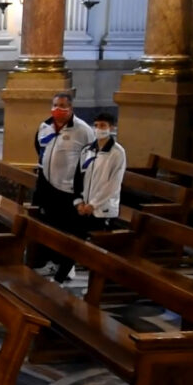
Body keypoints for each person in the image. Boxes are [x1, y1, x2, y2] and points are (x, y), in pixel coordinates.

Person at [52, 112, 126, 284]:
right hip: (83, 207)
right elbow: (78, 177)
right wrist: (79, 202)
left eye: (103, 126)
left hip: (102, 209)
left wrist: (94, 204)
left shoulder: (117, 153)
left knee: (99, 252)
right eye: (97, 125)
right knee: (72, 243)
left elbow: (113, 184)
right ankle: (59, 279)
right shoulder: (88, 150)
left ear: (111, 128)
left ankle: (97, 286)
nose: (99, 129)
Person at [32, 92, 96, 273]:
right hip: (46, 183)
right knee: (46, 222)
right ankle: (46, 260)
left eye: (62, 106)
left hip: (68, 186)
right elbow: (39, 147)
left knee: (65, 226)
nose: (57, 109)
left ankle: (64, 265)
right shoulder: (45, 126)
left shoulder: (82, 130)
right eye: (55, 105)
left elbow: (90, 158)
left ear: (71, 108)